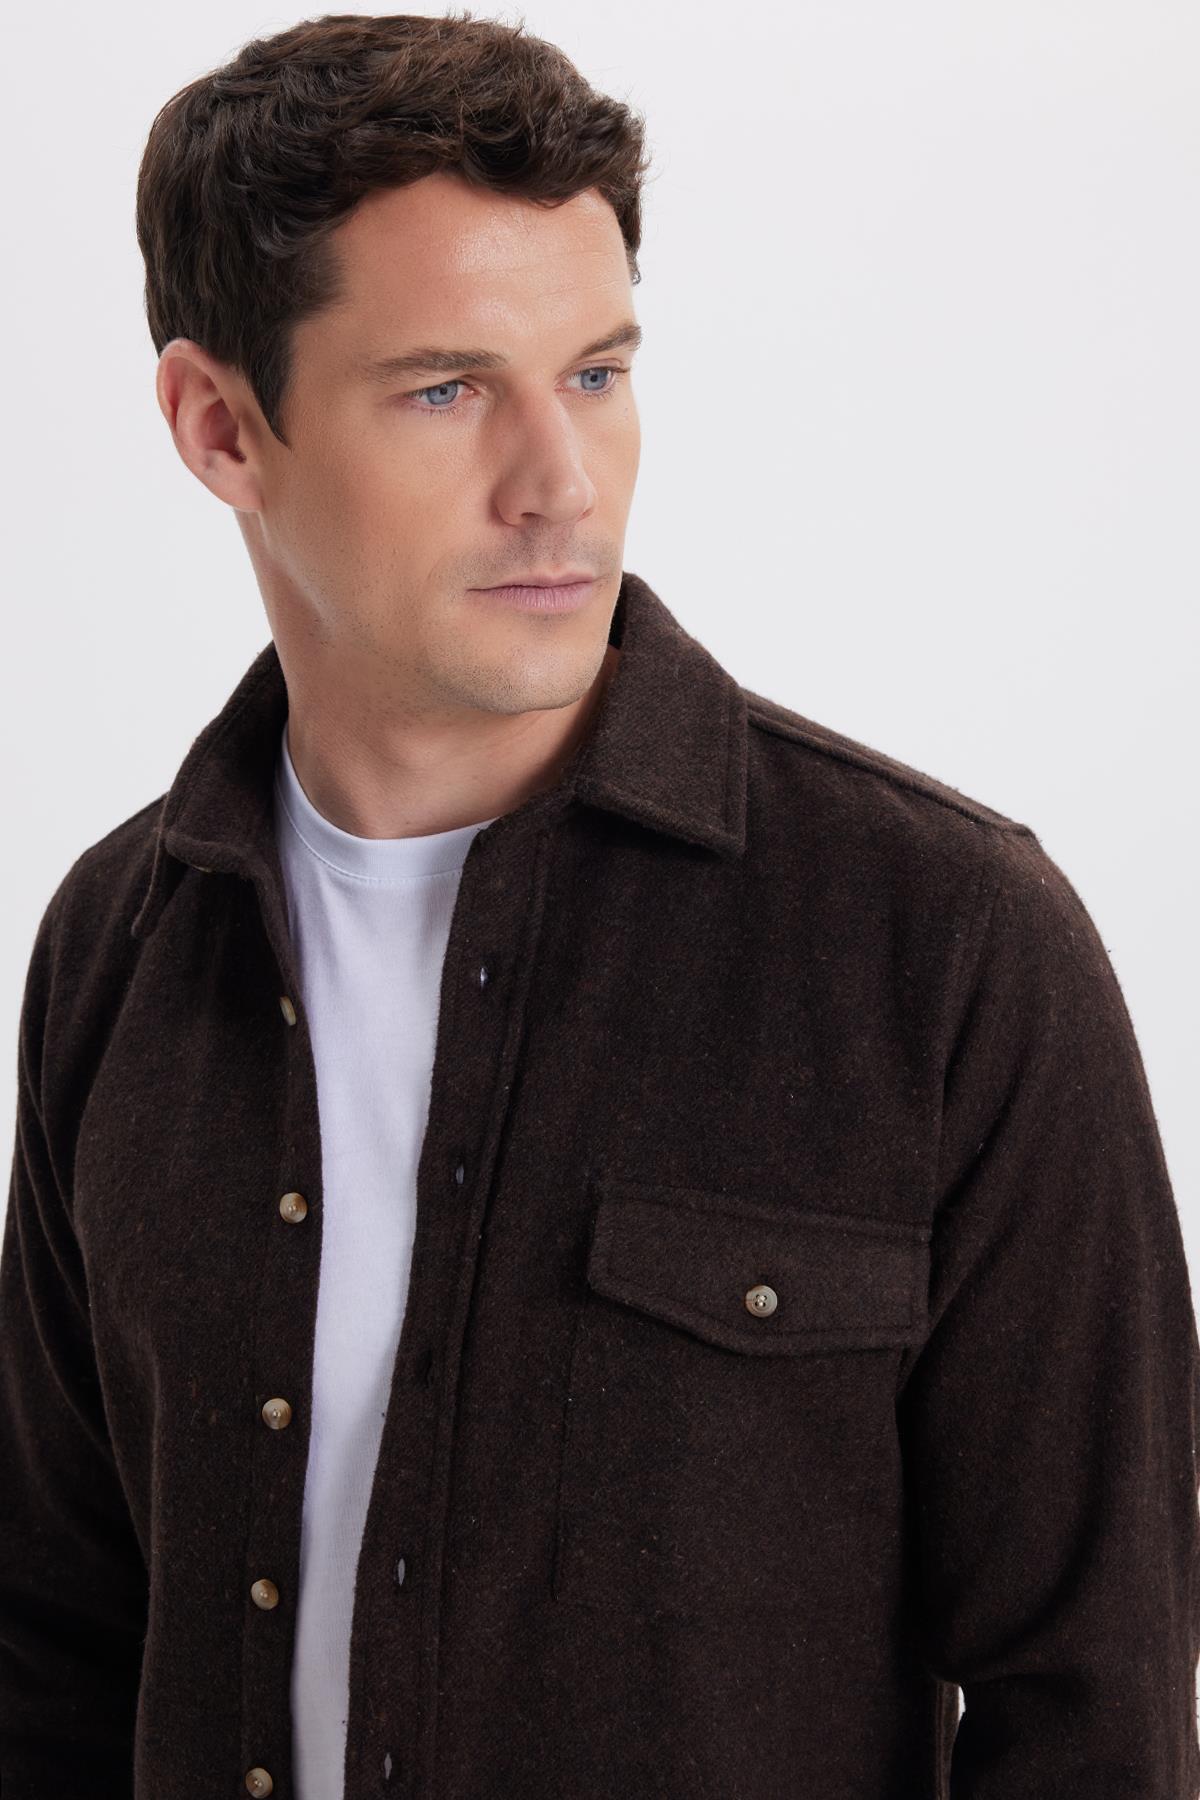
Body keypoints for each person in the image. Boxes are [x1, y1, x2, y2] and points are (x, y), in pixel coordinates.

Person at [2, 13, 1197, 1798]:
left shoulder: (947, 944)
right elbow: (53, 1650)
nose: (559, 482)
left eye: (597, 373)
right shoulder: (119, 948)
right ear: (219, 425)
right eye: (446, 389)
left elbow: (1098, 1706)